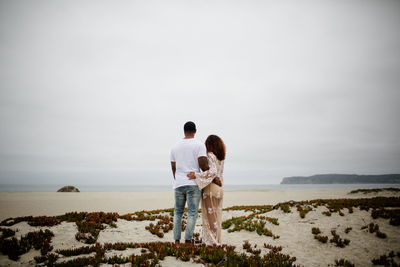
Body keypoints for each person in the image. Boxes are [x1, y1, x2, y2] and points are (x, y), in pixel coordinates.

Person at [170, 121, 215, 244]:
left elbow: (173, 168)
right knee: (192, 213)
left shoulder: (174, 147)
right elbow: (203, 164)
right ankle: (188, 241)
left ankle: (177, 241)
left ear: (184, 131)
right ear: (195, 131)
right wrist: (211, 175)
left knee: (178, 212)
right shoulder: (199, 145)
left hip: (178, 183)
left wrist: (178, 178)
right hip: (193, 183)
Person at [187, 135, 225, 246]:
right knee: (217, 217)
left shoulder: (210, 155)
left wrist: (196, 175)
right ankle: (216, 241)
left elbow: (212, 172)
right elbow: (217, 173)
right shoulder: (220, 158)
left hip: (210, 188)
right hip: (220, 188)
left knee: (211, 218)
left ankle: (214, 243)